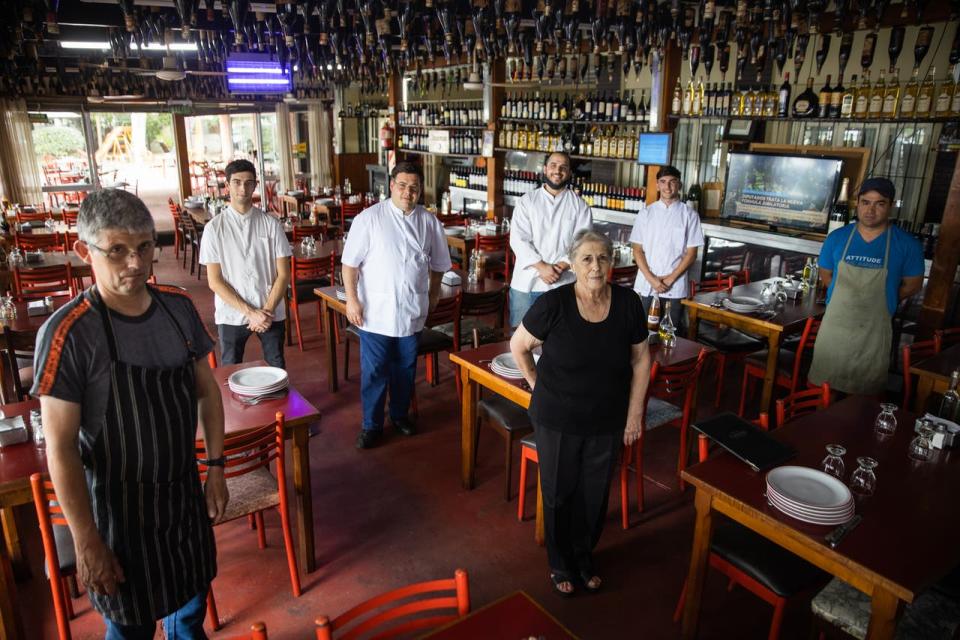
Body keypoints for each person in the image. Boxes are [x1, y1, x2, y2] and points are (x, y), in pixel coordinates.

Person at [33, 189, 227, 638]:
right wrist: (86, 539)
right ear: (85, 251)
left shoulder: (177, 309)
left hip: (183, 501)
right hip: (119, 520)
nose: (136, 264)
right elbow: (61, 450)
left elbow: (207, 393)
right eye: (116, 251)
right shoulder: (69, 334)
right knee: (130, 630)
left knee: (190, 616)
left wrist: (215, 468)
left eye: (144, 247)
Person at [510, 229, 651, 597]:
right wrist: (537, 383)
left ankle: (584, 555)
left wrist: (634, 414)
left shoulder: (628, 303)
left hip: (606, 417)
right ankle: (560, 562)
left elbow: (640, 359)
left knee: (594, 493)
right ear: (572, 264)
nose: (595, 266)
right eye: (586, 258)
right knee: (559, 492)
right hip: (557, 418)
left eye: (602, 258)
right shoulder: (553, 304)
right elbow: (519, 346)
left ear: (612, 262)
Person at [341, 162, 452, 449]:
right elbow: (349, 265)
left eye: (414, 187)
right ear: (391, 185)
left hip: (412, 311)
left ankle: (400, 415)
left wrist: (435, 291)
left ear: (420, 190)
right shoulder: (369, 218)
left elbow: (439, 263)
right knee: (375, 370)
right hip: (375, 312)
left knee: (405, 369)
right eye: (402, 185)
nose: (408, 192)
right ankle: (372, 425)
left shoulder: (429, 222)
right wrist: (352, 300)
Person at [809, 177, 924, 395]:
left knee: (862, 405)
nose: (870, 210)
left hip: (873, 336)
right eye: (865, 202)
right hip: (835, 331)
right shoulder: (837, 238)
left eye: (879, 203)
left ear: (890, 206)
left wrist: (887, 297)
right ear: (858, 203)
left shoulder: (907, 244)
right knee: (822, 397)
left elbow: (913, 284)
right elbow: (826, 274)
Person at [200, 158, 291, 369]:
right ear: (227, 185)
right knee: (230, 368)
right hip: (231, 312)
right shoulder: (214, 228)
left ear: (255, 185)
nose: (243, 188)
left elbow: (284, 274)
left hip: (270, 309)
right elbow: (215, 281)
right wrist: (251, 313)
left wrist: (265, 312)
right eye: (237, 182)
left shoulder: (271, 224)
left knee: (277, 367)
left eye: (249, 182)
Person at [508, 151, 593, 327]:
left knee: (559, 343)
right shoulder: (527, 201)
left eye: (563, 167)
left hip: (563, 285)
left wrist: (560, 266)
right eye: (553, 166)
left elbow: (583, 244)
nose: (558, 170)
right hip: (526, 284)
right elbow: (518, 239)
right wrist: (542, 267)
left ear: (569, 173)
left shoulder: (580, 206)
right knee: (520, 343)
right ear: (545, 169)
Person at [629, 165, 704, 330]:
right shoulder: (646, 213)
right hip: (647, 284)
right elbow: (637, 250)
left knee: (670, 333)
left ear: (680, 185)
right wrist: (652, 279)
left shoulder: (689, 215)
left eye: (672, 182)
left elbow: (691, 254)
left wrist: (670, 279)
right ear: (657, 185)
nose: (667, 186)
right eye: (663, 182)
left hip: (674, 286)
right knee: (642, 333)